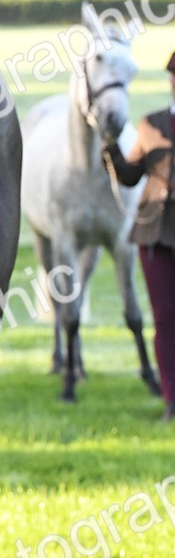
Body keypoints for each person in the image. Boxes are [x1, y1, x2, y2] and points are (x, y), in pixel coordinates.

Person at [104, 49, 175, 420]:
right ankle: (170, 399)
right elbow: (130, 175)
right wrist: (111, 148)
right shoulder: (151, 125)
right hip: (155, 236)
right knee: (164, 318)